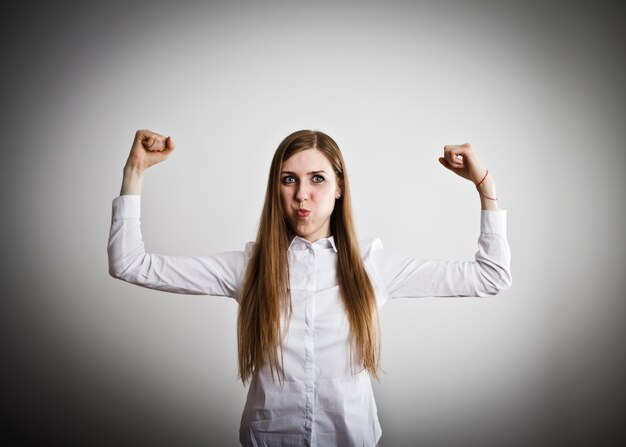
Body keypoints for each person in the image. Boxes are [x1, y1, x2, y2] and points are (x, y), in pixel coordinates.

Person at [108, 129, 512, 446]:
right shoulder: (250, 268)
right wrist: (135, 171)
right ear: (276, 189)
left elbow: (490, 276)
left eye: (317, 178)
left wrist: (484, 185)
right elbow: (130, 264)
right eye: (289, 180)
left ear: (339, 187)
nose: (302, 194)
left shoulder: (373, 266)